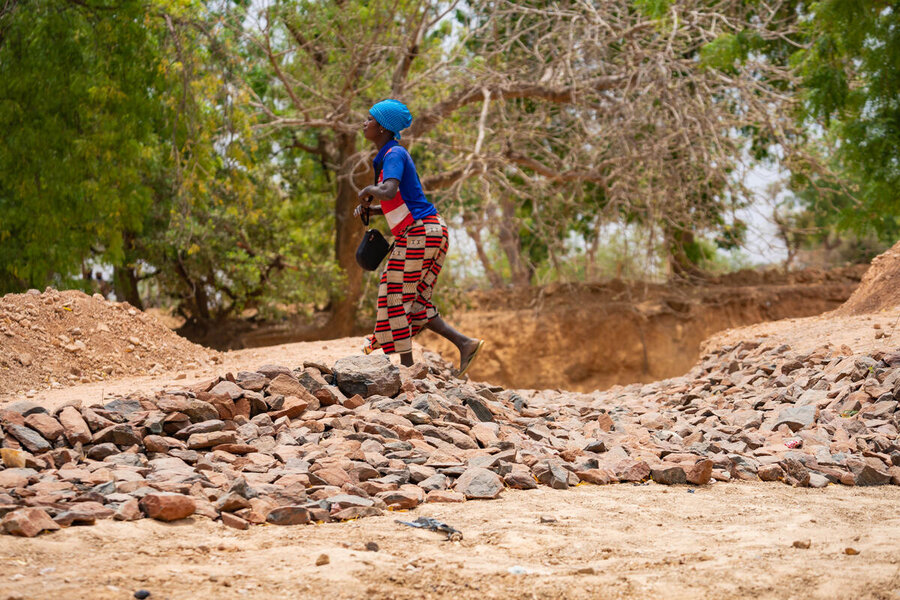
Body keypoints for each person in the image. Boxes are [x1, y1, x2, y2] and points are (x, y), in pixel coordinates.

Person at [355, 99, 484, 376]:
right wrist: (371, 209)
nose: (364, 123)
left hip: (420, 233)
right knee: (415, 301)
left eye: (370, 119)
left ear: (383, 128)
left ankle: (407, 367)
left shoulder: (393, 154)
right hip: (431, 231)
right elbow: (397, 201)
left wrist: (368, 189)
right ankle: (465, 344)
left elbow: (389, 190)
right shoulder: (390, 155)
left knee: (393, 293)